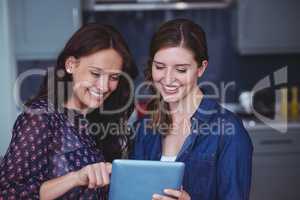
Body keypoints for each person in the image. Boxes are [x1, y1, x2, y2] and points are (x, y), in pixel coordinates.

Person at [0, 23, 137, 199]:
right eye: (95, 74)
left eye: (114, 77)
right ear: (71, 65)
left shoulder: (99, 121)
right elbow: (8, 193)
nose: (104, 86)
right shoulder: (41, 116)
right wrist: (75, 178)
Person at [131, 19, 253, 200]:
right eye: (159, 67)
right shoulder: (145, 128)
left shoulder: (229, 131)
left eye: (180, 69)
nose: (168, 79)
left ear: (201, 68)